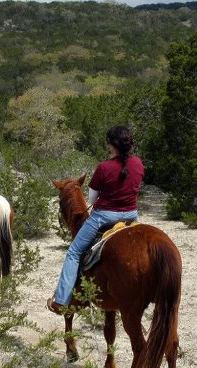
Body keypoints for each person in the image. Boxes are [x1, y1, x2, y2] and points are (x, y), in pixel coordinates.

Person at [47, 125, 145, 314]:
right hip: (132, 215)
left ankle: (61, 300)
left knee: (74, 252)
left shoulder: (104, 167)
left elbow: (92, 200)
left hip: (103, 217)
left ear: (111, 145)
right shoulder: (138, 164)